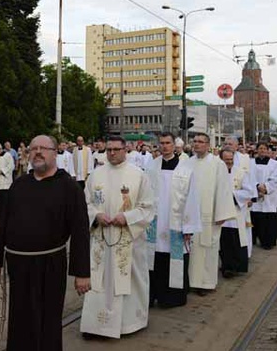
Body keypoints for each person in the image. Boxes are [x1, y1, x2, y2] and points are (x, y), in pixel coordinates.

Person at [0, 135, 91, 351]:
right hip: (18, 264)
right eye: (33, 149)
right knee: (20, 316)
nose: (37, 152)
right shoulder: (20, 184)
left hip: (50, 264)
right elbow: (4, 222)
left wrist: (82, 273)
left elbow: (81, 232)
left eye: (43, 148)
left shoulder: (69, 187)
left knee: (47, 319)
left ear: (55, 153)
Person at [80, 136, 155, 339]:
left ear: (125, 150)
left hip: (127, 238)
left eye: (116, 149)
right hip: (101, 238)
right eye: (109, 150)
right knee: (99, 279)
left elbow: (148, 207)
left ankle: (129, 324)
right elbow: (85, 204)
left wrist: (127, 217)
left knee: (128, 279)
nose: (112, 153)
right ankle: (96, 325)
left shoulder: (138, 175)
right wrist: (96, 215)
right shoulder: (95, 175)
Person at [145, 132, 199, 309]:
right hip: (155, 221)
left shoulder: (185, 168)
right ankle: (154, 295)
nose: (164, 146)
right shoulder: (151, 166)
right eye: (161, 143)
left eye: (168, 143)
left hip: (176, 223)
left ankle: (172, 297)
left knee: (174, 259)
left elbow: (192, 198)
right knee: (155, 259)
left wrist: (189, 226)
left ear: (174, 145)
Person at [187, 132, 235, 295]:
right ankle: (190, 281)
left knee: (207, 249)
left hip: (209, 215)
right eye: (195, 141)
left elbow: (223, 189)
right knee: (191, 250)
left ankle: (205, 283)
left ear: (208, 145)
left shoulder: (217, 164)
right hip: (191, 215)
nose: (197, 144)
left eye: (201, 142)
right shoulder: (187, 162)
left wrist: (221, 214)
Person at [219, 149, 252, 277]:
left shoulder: (241, 172)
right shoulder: (216, 172)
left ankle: (237, 266)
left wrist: (233, 196)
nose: (229, 162)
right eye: (226, 159)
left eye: (231, 159)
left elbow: (248, 190)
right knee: (224, 242)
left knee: (236, 240)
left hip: (236, 211)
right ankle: (226, 266)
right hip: (222, 212)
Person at [250, 143, 277, 250]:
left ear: (267, 150)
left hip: (269, 196)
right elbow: (247, 176)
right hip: (255, 193)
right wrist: (257, 186)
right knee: (255, 218)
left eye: (264, 148)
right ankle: (253, 240)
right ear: (257, 150)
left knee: (268, 220)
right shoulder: (250, 163)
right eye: (260, 148)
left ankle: (267, 242)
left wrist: (266, 188)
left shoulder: (274, 164)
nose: (262, 150)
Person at [0, 142, 14, 221]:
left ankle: (7, 215)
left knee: (5, 200)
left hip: (5, 182)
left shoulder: (7, 155)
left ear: (0, 149)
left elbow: (11, 166)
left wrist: (3, 171)